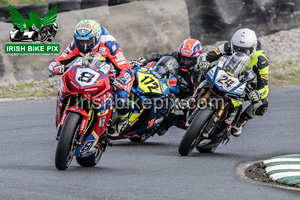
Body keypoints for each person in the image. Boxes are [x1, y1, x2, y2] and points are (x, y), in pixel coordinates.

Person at [48, 19, 134, 134]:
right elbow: (60, 60)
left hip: (112, 73)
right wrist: (55, 67)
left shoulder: (110, 45)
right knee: (65, 86)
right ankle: (64, 117)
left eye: (88, 42)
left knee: (121, 98)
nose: (84, 46)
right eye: (80, 42)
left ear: (96, 38)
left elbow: (125, 69)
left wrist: (121, 80)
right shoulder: (75, 44)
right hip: (90, 71)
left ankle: (123, 121)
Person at [201, 28, 269, 137]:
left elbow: (264, 87)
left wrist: (257, 94)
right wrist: (203, 62)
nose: (240, 52)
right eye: (237, 49)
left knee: (262, 103)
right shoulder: (227, 46)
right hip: (224, 74)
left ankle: (241, 121)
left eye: (245, 50)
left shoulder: (261, 60)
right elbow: (208, 55)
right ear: (233, 45)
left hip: (245, 82)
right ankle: (194, 99)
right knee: (202, 75)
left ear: (253, 48)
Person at [133, 39, 204, 134]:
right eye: (183, 58)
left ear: (196, 59)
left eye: (189, 60)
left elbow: (197, 93)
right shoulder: (176, 56)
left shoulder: (198, 73)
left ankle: (171, 120)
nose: (185, 62)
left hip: (185, 97)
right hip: (167, 85)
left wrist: (189, 101)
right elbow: (157, 56)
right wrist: (143, 60)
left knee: (191, 123)